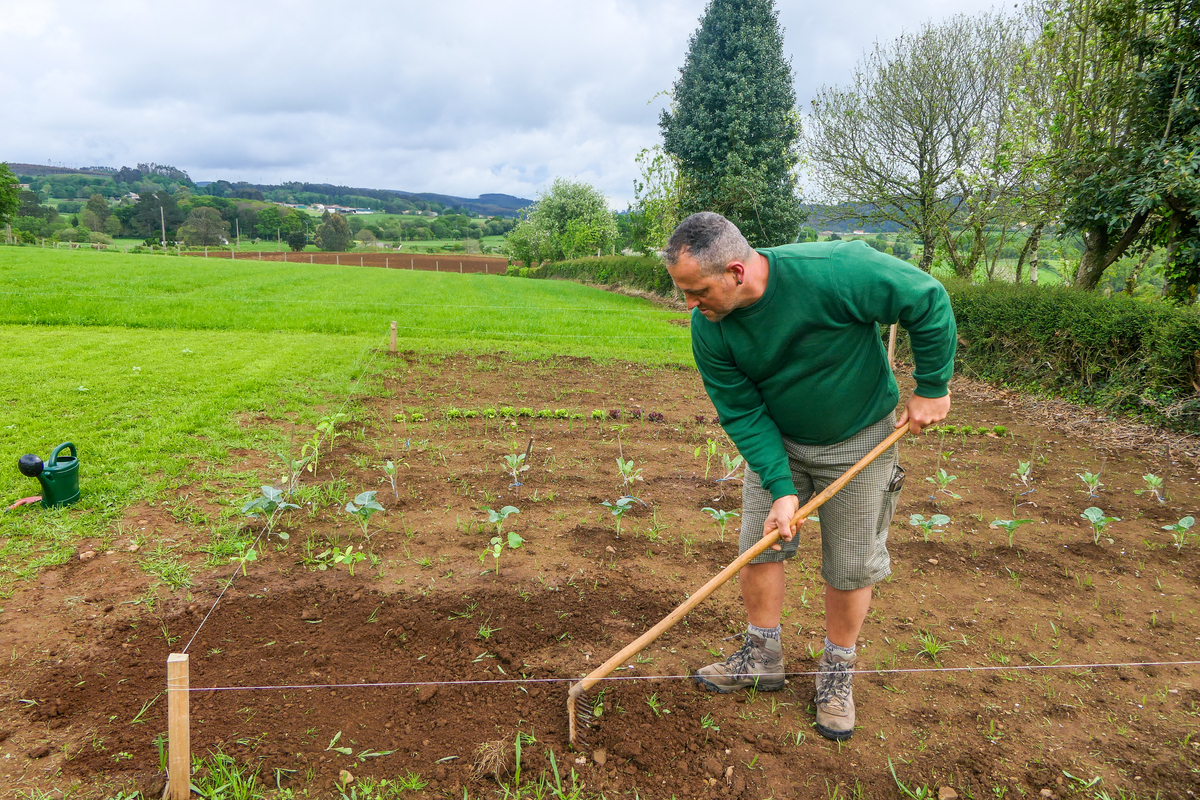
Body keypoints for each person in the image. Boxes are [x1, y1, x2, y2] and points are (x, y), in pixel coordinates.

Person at [663, 212, 955, 741]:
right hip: (780, 439)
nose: (690, 304)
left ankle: (837, 672)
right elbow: (741, 411)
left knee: (850, 561)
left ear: (735, 271)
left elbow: (926, 297)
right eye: (683, 293)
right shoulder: (710, 329)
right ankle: (762, 655)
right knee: (760, 543)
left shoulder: (834, 270)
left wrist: (932, 385)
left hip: (862, 435)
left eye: (697, 290)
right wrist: (780, 487)